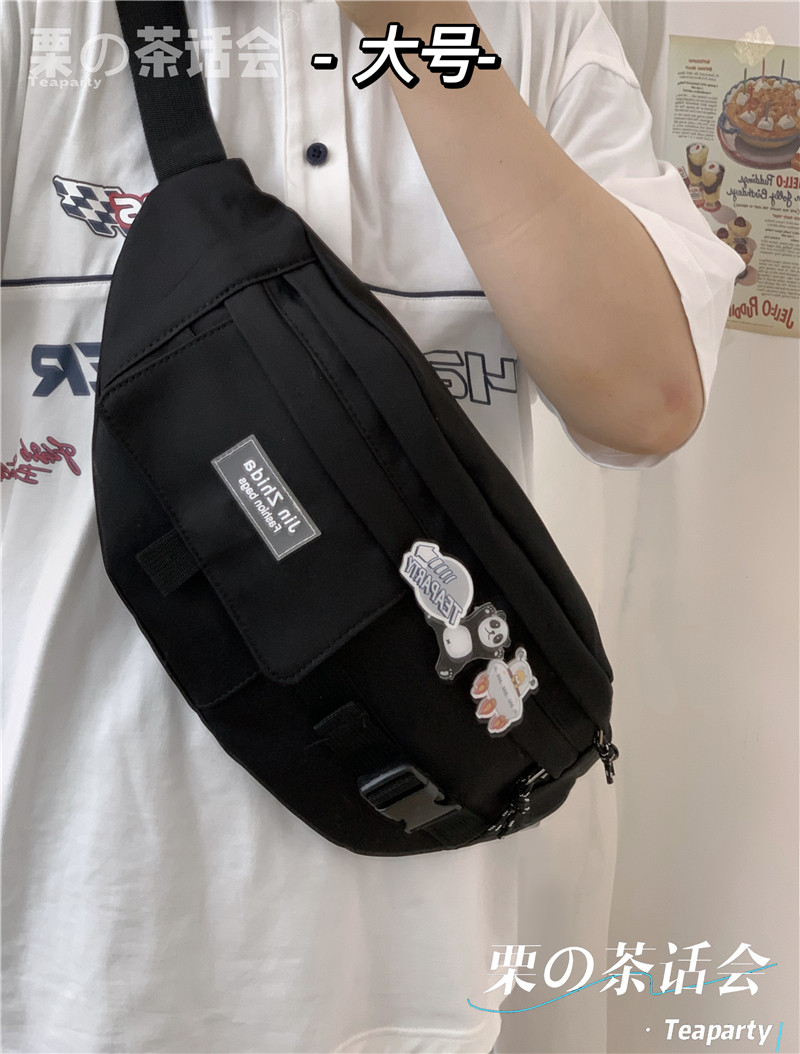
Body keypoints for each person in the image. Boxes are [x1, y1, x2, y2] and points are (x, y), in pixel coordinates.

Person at [1, 2, 741, 1052]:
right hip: (66, 950)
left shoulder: (529, 25)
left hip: (414, 963)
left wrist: (420, 27)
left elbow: (642, 400)